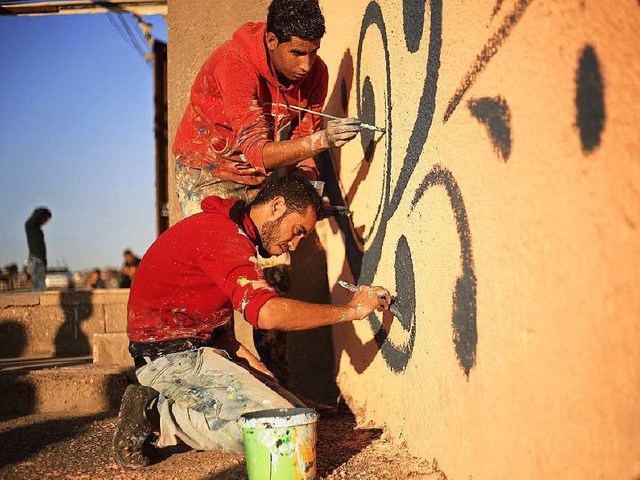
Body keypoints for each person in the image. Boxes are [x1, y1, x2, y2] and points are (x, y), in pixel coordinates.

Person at [113, 176, 391, 468]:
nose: (294, 245)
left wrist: (266, 380)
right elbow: (266, 313)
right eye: (297, 231)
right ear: (277, 206)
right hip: (168, 358)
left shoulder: (228, 232)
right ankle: (156, 413)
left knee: (299, 415)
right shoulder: (224, 236)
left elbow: (222, 336)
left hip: (192, 351)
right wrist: (351, 310)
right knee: (284, 431)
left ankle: (168, 409)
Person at [172, 0, 362, 388]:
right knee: (216, 283)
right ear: (272, 40)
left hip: (259, 174)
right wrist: (322, 141)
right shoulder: (235, 63)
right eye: (297, 52)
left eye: (314, 52)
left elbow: (300, 152)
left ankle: (278, 389)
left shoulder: (316, 73)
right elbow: (261, 149)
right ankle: (211, 390)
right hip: (206, 169)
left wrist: (311, 194)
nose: (307, 65)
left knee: (274, 280)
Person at [25, 207, 51, 292]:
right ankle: (35, 302)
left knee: (40, 284)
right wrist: (42, 212)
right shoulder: (30, 226)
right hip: (36, 259)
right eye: (45, 219)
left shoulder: (37, 229)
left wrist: (44, 261)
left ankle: (36, 302)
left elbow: (42, 247)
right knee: (39, 286)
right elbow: (30, 221)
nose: (46, 222)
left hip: (40, 259)